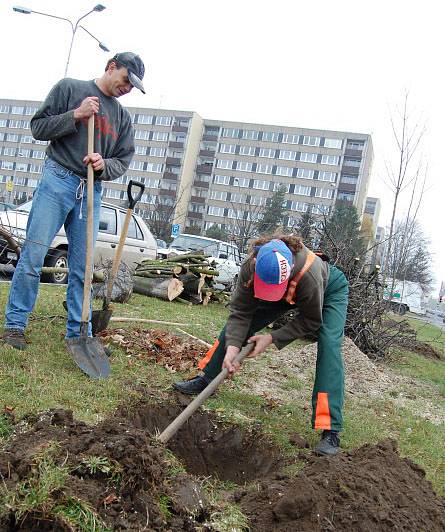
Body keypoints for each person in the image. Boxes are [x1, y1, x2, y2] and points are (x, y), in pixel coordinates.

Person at [2, 52, 145, 351]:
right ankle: (15, 325)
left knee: (82, 266)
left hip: (90, 189)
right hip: (58, 179)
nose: (127, 88)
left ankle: (79, 332)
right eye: (126, 80)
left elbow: (123, 159)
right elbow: (38, 128)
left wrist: (104, 164)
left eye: (133, 86)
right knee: (35, 254)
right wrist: (75, 115)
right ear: (111, 67)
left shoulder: (122, 117)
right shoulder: (70, 88)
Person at [173, 234, 349, 456]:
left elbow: (311, 320)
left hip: (328, 290)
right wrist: (233, 348)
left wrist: (272, 338)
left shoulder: (309, 276)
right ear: (255, 263)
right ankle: (208, 378)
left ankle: (330, 429)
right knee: (235, 329)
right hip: (285, 292)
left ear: (291, 268)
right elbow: (241, 312)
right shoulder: (251, 265)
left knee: (329, 345)